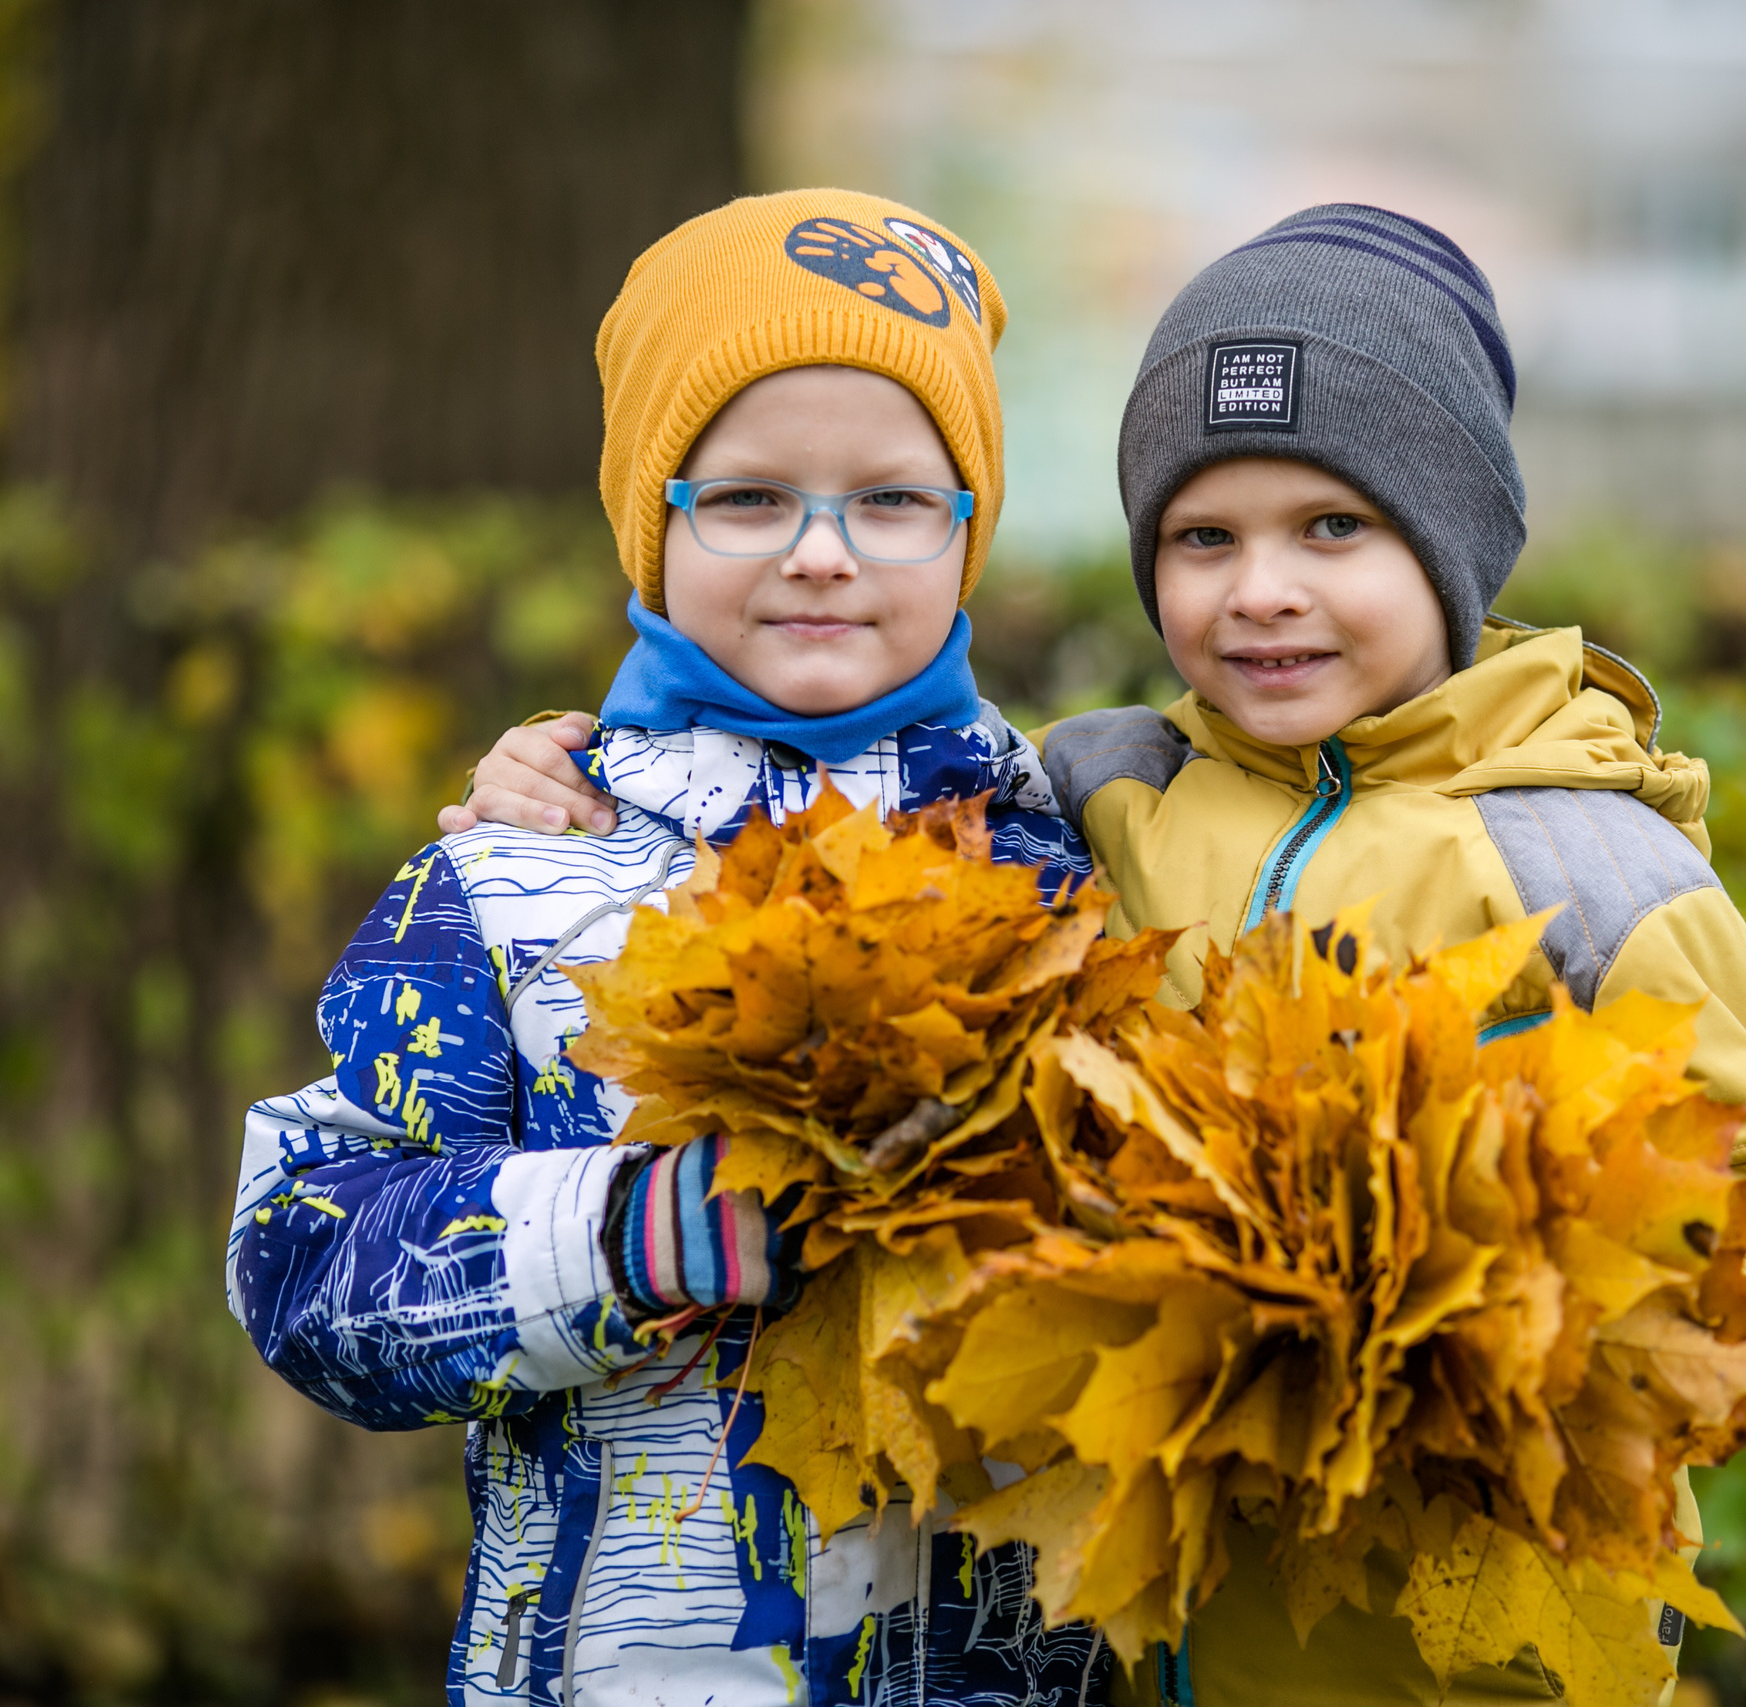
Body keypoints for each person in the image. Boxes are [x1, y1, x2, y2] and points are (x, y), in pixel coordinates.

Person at [453, 204, 1746, 1707]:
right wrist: (555, 769)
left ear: (1454, 547)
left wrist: (1467, 1346)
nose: (1262, 589)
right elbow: (846, 814)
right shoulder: (1097, 793)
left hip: (1454, 1642)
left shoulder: (1591, 868)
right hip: (1152, 1626)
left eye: (1336, 528)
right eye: (1204, 538)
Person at [230, 189, 1107, 1707]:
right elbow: (301, 1258)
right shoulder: (515, 876)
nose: (823, 555)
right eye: (750, 498)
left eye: (894, 500)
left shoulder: (1077, 868)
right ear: (655, 520)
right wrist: (630, 1236)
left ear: (971, 532)